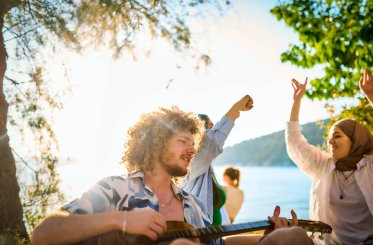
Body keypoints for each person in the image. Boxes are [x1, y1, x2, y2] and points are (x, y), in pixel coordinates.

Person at [32, 105, 310, 245]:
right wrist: (123, 219)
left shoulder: (193, 205)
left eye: (194, 142)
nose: (192, 149)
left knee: (293, 238)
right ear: (155, 143)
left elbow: (217, 243)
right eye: (183, 141)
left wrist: (266, 236)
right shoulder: (115, 189)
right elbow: (43, 234)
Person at [286, 69, 373, 245]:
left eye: (337, 136)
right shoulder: (322, 165)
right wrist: (297, 101)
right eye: (329, 137)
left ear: (354, 140)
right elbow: (294, 142)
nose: (330, 141)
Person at [180, 95, 253, 226]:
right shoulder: (195, 161)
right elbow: (214, 139)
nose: (214, 132)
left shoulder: (205, 167)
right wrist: (236, 108)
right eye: (211, 128)